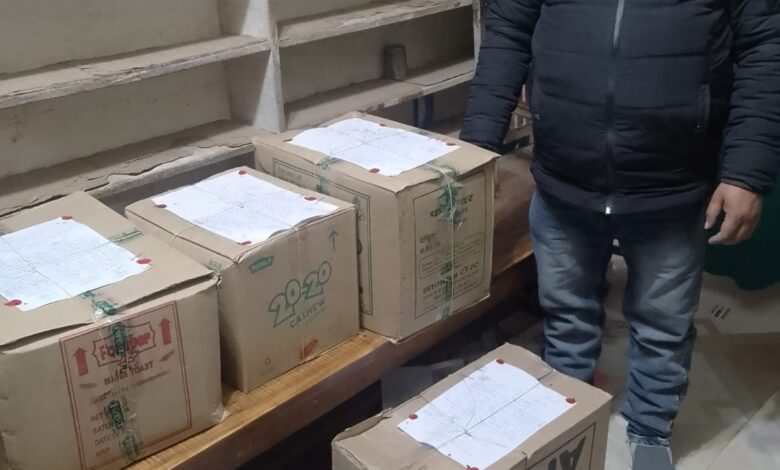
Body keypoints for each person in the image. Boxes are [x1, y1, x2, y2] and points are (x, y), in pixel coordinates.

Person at [461, 1, 780, 469]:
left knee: (663, 325)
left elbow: (765, 47)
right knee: (566, 314)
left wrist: (746, 173)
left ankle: (650, 428)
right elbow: (509, 31)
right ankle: (568, 412)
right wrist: (478, 145)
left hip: (672, 185)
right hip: (563, 177)